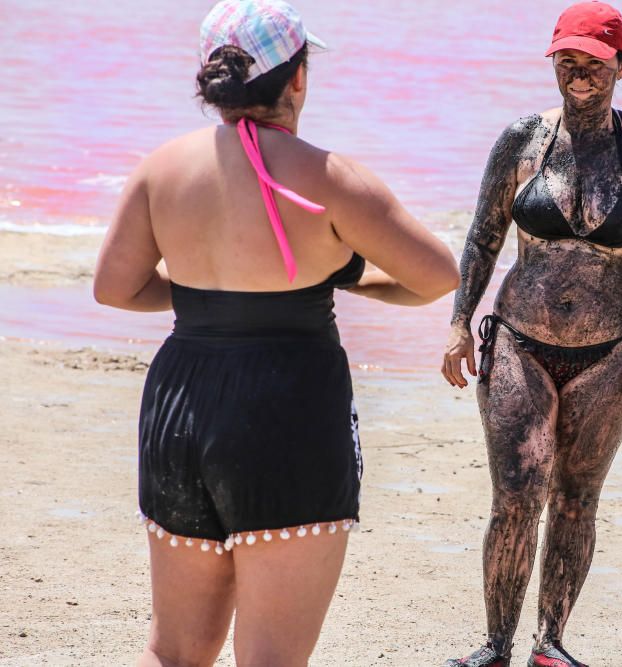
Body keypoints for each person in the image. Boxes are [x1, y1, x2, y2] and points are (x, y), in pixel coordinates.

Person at [93, 1, 458, 664]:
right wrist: (342, 276)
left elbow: (114, 287)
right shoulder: (329, 178)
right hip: (286, 409)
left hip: (180, 406)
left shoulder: (161, 168)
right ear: (297, 80)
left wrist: (212, 295)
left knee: (173, 651)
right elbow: (435, 275)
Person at [440, 2, 622, 665]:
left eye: (593, 61)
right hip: (520, 343)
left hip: (609, 356)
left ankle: (550, 645)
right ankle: (495, 645)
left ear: (620, 66)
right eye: (567, 60)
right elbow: (483, 235)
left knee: (576, 500)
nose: (579, 72)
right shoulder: (522, 140)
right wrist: (460, 323)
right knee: (517, 494)